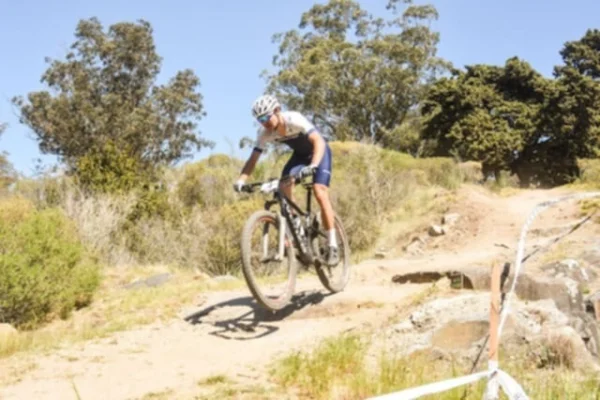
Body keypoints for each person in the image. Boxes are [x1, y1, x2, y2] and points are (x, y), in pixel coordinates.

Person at [233, 94, 339, 266]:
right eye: (260, 119)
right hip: (300, 157)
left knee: (320, 191)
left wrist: (313, 165)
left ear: (277, 111)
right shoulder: (265, 133)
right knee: (284, 185)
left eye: (266, 116)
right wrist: (241, 180)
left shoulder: (294, 119)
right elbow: (253, 159)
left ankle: (333, 244)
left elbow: (318, 141)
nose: (264, 122)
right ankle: (298, 231)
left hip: (319, 152)